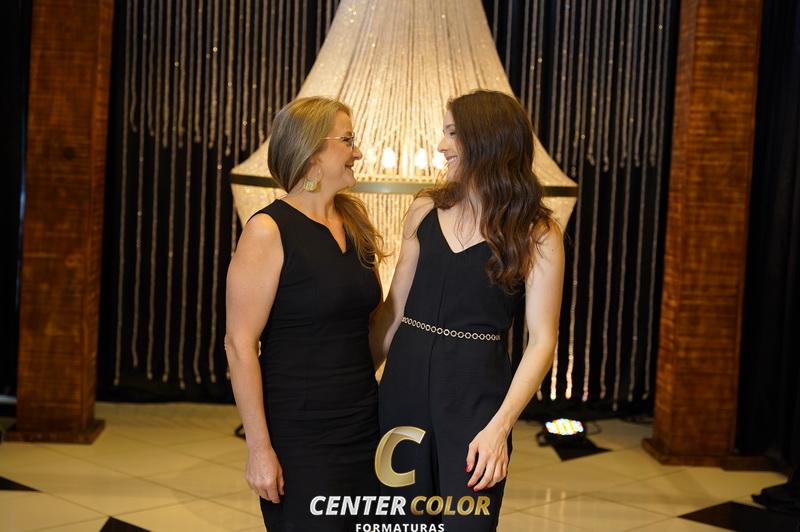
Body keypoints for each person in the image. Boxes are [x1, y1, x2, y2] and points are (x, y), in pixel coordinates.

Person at [371, 90, 565, 531]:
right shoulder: (424, 208)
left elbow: (542, 340)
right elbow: (392, 313)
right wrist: (355, 382)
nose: (441, 145)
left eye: (452, 133)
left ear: (486, 139)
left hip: (477, 402)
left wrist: (500, 428)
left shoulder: (537, 232)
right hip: (403, 392)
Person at [225, 96, 386, 531]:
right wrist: (259, 448)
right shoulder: (267, 230)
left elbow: (369, 329)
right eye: (348, 140)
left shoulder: (355, 224)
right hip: (300, 433)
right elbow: (239, 345)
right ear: (313, 150)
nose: (357, 152)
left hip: (363, 424)